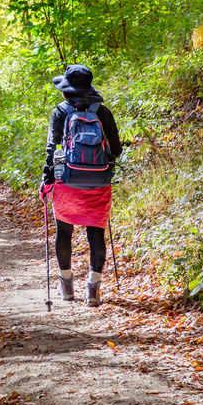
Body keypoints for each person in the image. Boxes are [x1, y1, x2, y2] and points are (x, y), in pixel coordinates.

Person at [39, 65, 123, 307]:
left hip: (67, 180)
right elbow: (115, 150)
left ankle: (66, 285)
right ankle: (93, 289)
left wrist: (47, 179)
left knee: (64, 232)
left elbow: (52, 150)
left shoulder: (60, 112)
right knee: (96, 231)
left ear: (66, 90)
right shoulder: (103, 112)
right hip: (98, 181)